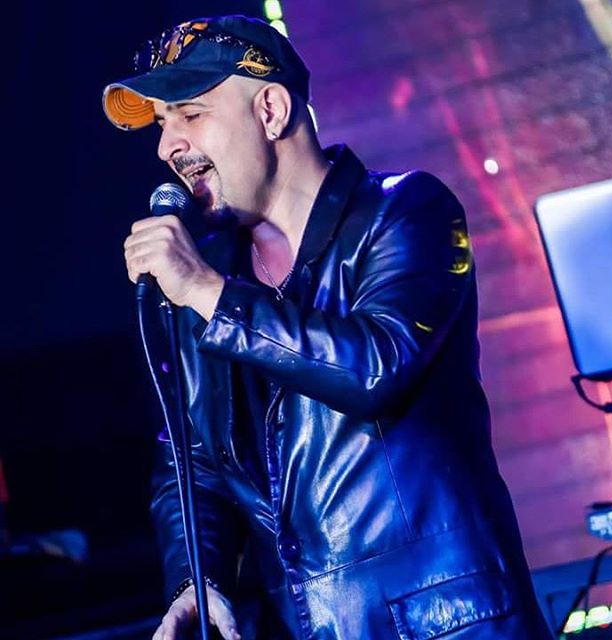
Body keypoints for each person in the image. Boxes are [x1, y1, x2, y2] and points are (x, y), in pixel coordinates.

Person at [103, 14, 553, 640]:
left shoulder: (404, 213)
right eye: (161, 123)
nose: (166, 146)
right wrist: (196, 580)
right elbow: (192, 460)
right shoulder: (210, 274)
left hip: (446, 625)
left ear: (270, 110)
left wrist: (208, 294)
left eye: (190, 114)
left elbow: (376, 366)